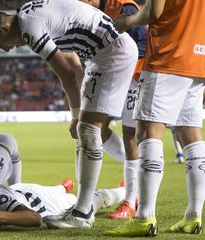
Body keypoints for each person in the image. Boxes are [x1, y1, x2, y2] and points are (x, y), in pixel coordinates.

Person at [0, 0, 138, 229]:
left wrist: (75, 115)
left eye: (1, 44)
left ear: (5, 28)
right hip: (99, 55)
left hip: (112, 53)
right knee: (91, 131)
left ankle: (82, 213)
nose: (6, 49)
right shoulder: (28, 13)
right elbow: (73, 64)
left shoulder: (29, 29)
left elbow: (66, 74)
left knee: (87, 129)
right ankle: (85, 206)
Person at [106, 0, 205, 236]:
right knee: (190, 134)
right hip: (198, 58)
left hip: (168, 56)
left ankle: (144, 217)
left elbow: (153, 12)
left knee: (147, 133)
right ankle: (193, 215)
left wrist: (124, 22)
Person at [78, 0, 147, 220]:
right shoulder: (97, 11)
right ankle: (136, 174)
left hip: (135, 76)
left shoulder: (124, 7)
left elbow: (142, 44)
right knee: (99, 128)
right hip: (114, 75)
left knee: (130, 135)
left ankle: (130, 200)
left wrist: (135, 78)